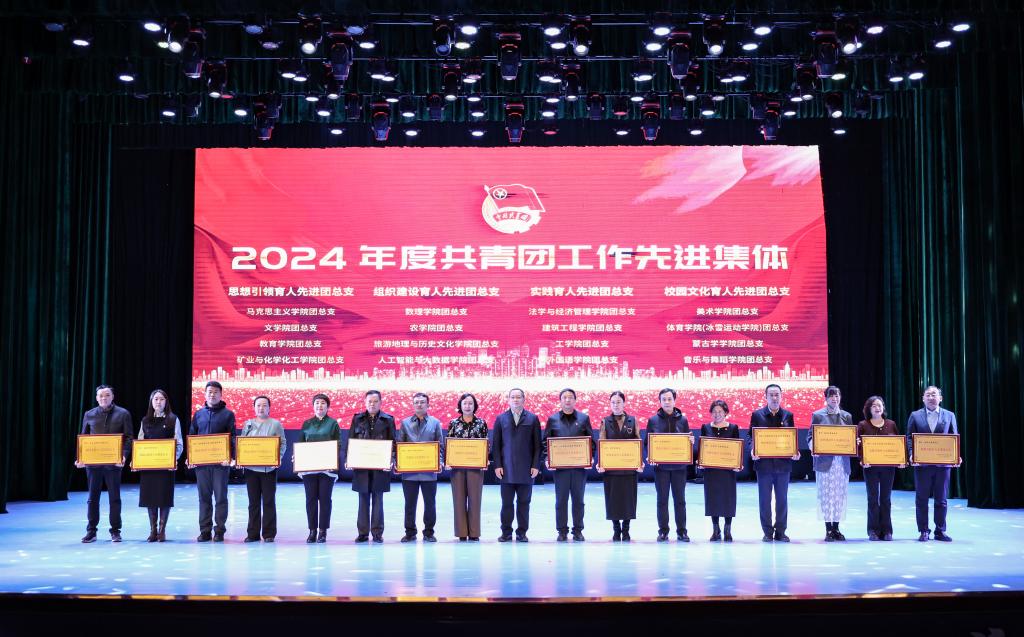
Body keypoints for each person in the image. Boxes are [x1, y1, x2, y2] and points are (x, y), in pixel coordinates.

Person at [77, 384, 133, 543]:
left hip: (114, 463)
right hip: (93, 464)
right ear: (97, 398)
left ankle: (115, 531)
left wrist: (124, 456)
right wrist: (81, 458)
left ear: (112, 397)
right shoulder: (89, 414)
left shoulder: (123, 414)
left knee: (115, 498)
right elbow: (83, 438)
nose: (104, 398)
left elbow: (129, 437)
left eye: (107, 395)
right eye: (101, 395)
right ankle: (91, 531)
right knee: (92, 498)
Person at [907, 385, 961, 542]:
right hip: (921, 465)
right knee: (921, 499)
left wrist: (956, 456)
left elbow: (954, 437)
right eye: (928, 395)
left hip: (943, 466)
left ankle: (940, 531)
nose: (931, 397)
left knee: (941, 500)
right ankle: (923, 530)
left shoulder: (949, 415)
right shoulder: (915, 415)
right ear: (923, 398)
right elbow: (909, 437)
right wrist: (911, 454)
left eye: (934, 394)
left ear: (940, 398)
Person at [749, 383, 800, 542]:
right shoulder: (757, 415)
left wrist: (795, 451)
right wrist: (752, 450)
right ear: (766, 397)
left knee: (782, 500)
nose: (774, 397)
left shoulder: (788, 415)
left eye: (777, 394)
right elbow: (751, 436)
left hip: (783, 465)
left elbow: (791, 438)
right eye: (771, 395)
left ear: (781, 396)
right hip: (763, 465)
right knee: (764, 500)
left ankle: (781, 531)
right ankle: (767, 532)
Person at [188, 380, 236, 543]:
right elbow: (192, 436)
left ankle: (220, 531)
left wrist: (230, 458)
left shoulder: (228, 414)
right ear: (205, 394)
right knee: (204, 498)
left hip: (220, 465)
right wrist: (191, 457)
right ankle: (205, 531)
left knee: (221, 498)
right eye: (210, 392)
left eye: (216, 392)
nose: (212, 394)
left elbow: (232, 438)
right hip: (201, 465)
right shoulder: (198, 414)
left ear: (221, 395)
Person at [492, 387, 542, 542]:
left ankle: (522, 533)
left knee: (524, 503)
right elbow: (496, 445)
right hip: (506, 469)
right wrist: (497, 465)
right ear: (508, 400)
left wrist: (535, 465)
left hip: (527, 469)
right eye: (512, 397)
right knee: (506, 503)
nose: (515, 399)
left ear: (524, 399)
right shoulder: (501, 419)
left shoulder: (532, 419)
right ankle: (506, 532)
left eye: (518, 397)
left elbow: (537, 446)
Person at [544, 388, 594, 542]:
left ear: (575, 400)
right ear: (560, 400)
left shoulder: (584, 418)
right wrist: (547, 458)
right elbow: (545, 442)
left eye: (570, 397)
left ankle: (578, 530)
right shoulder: (553, 419)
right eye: (564, 397)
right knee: (561, 501)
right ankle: (562, 531)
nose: (567, 400)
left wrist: (590, 457)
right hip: (560, 469)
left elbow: (591, 442)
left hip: (579, 468)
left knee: (578, 501)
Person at [134, 389, 182, 542]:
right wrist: (137, 460)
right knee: (150, 498)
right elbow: (140, 443)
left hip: (166, 467)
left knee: (164, 498)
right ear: (151, 402)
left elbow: (179, 443)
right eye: (155, 399)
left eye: (161, 399)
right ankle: (152, 530)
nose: (158, 402)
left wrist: (174, 459)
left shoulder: (173, 419)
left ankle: (162, 531)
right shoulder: (145, 421)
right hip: (149, 467)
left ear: (166, 401)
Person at [347, 390, 395, 543]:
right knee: (363, 499)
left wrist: (391, 460)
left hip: (380, 466)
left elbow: (393, 442)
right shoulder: (357, 419)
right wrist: (349, 458)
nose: (372, 404)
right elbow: (351, 440)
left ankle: (377, 533)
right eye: (369, 401)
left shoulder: (388, 420)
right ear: (365, 402)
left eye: (375, 401)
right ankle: (362, 533)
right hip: (361, 465)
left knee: (378, 500)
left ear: (380, 403)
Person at [645, 388, 691, 542]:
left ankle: (682, 531)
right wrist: (651, 455)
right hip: (661, 468)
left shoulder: (683, 420)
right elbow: (648, 443)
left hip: (679, 468)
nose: (667, 402)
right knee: (662, 501)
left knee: (680, 501)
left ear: (674, 400)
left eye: (669, 399)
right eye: (663, 399)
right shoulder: (653, 420)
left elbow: (688, 442)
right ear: (660, 401)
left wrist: (690, 442)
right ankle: (663, 531)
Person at [397, 393, 444, 543]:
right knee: (409, 504)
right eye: (416, 402)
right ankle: (410, 533)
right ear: (413, 405)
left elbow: (440, 446)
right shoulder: (405, 423)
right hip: (409, 472)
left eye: (422, 402)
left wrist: (440, 462)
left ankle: (429, 532)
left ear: (428, 405)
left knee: (430, 504)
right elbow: (399, 445)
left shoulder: (435, 423)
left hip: (429, 472)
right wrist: (398, 462)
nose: (419, 404)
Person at [809, 386, 854, 542]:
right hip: (825, 462)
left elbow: (850, 437)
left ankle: (836, 528)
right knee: (826, 495)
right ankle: (828, 529)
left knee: (840, 496)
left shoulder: (847, 416)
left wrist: (855, 443)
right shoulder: (818, 415)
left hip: (842, 462)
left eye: (837, 396)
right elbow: (810, 437)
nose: (834, 399)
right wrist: (813, 447)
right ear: (826, 398)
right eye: (831, 396)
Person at [240, 395, 286, 543]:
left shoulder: (275, 424)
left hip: (268, 470)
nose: (261, 408)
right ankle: (252, 533)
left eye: (264, 405)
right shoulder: (248, 424)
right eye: (258, 405)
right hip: (251, 470)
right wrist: (241, 459)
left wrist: (278, 458)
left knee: (268, 501)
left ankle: (269, 533)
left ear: (269, 408)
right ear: (254, 407)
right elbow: (242, 444)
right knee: (253, 503)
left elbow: (283, 443)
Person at [596, 391, 640, 542]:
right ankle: (616, 529)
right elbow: (602, 443)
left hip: (629, 469)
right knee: (613, 500)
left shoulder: (633, 420)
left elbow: (638, 443)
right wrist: (600, 463)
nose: (616, 405)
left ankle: (626, 530)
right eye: (613, 402)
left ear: (624, 403)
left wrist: (639, 462)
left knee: (628, 500)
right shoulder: (605, 421)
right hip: (611, 469)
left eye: (619, 402)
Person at [856, 395, 901, 541]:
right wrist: (862, 460)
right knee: (873, 498)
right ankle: (873, 530)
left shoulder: (891, 424)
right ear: (869, 409)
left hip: (888, 468)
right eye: (874, 405)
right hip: (870, 468)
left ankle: (887, 530)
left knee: (886, 499)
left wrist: (900, 460)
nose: (877, 407)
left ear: (883, 408)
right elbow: (858, 447)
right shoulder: (863, 425)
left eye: (879, 405)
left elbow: (898, 445)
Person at [298, 393, 339, 543]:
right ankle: (312, 530)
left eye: (323, 403)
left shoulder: (333, 423)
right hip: (309, 468)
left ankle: (323, 531)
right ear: (313, 406)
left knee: (325, 500)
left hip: (327, 470)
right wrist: (297, 457)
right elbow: (301, 444)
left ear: (327, 406)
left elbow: (338, 444)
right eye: (317, 403)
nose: (319, 406)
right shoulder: (306, 423)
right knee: (310, 500)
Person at [446, 393, 488, 542]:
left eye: (470, 403)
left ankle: (474, 532)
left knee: (475, 500)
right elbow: (449, 443)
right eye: (465, 403)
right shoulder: (453, 423)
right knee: (459, 500)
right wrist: (448, 460)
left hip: (476, 467)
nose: (468, 406)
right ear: (460, 405)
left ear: (474, 406)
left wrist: (484, 459)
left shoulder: (481, 423)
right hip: (457, 468)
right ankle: (461, 532)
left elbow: (486, 443)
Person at [699, 400, 741, 542]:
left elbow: (737, 449)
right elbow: (702, 447)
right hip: (711, 471)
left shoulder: (733, 428)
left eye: (720, 412)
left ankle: (727, 529)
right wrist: (701, 462)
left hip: (728, 472)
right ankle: (715, 530)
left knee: (728, 499)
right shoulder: (705, 427)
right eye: (714, 412)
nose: (717, 414)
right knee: (713, 499)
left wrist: (738, 464)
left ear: (725, 413)